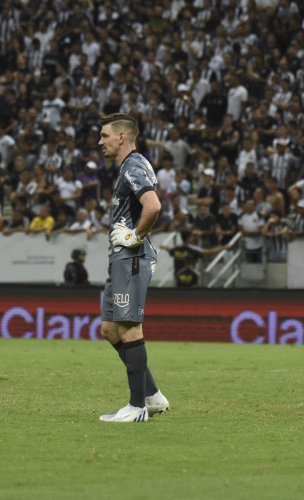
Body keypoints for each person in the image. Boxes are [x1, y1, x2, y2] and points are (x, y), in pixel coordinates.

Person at [97, 113, 168, 423]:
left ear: (122, 137)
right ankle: (152, 396)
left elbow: (153, 206)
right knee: (110, 329)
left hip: (132, 257)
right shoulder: (130, 167)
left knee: (129, 328)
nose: (100, 142)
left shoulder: (134, 165)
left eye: (104, 136)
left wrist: (135, 235)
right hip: (121, 258)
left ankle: (137, 407)